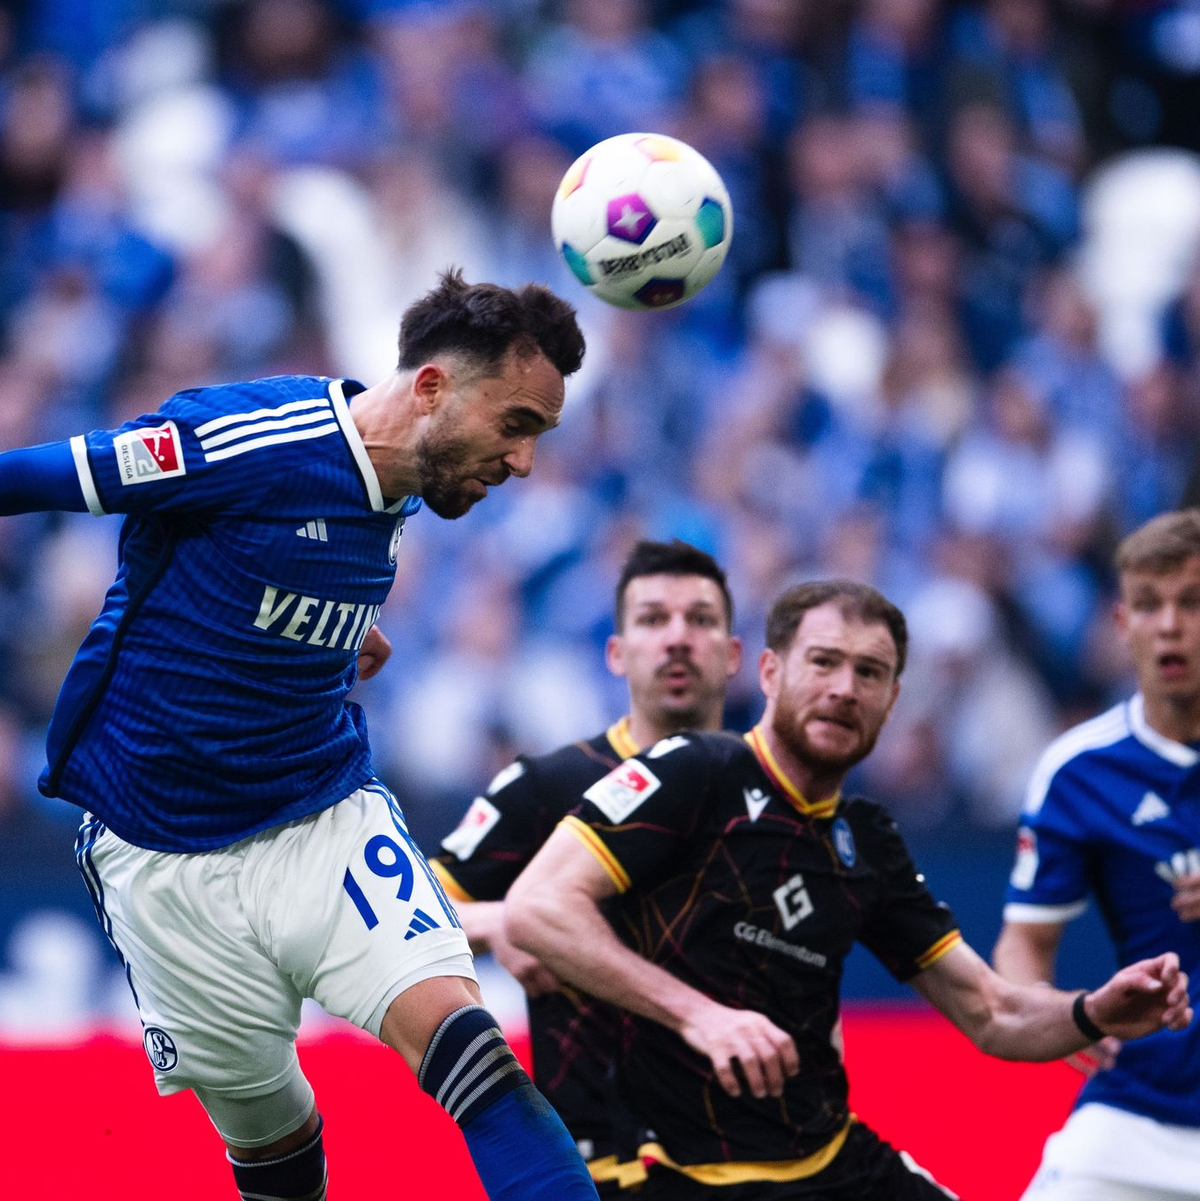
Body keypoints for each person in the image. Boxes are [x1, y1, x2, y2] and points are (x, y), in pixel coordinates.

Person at [0, 270, 601, 1201]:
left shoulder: (415, 473)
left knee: (473, 1053)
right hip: (156, 850)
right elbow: (32, 476)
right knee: (274, 1139)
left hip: (321, 816)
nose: (523, 462)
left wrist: (329, 630)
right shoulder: (247, 441)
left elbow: (275, 567)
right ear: (434, 388)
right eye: (517, 424)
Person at [505, 579, 1193, 1200]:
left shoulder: (866, 837)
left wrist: (1093, 1008)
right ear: (771, 672)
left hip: (832, 1165)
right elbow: (537, 907)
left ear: (892, 700)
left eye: (870, 672)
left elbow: (993, 1012)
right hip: (674, 1175)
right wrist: (698, 1014)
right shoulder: (697, 769)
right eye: (824, 661)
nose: (844, 688)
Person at [432, 538, 743, 1193]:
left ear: (737, 654)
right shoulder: (545, 785)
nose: (678, 638)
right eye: (654, 619)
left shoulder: (779, 795)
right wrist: (508, 921)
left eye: (701, 619)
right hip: (596, 1164)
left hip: (753, 1154)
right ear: (616, 653)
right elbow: (408, 914)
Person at [993, 508, 1200, 1201]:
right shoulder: (1078, 769)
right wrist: (1064, 1011)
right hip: (1141, 1113)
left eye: (1192, 601)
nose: (1170, 623)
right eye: (1149, 603)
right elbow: (1022, 946)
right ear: (1122, 625)